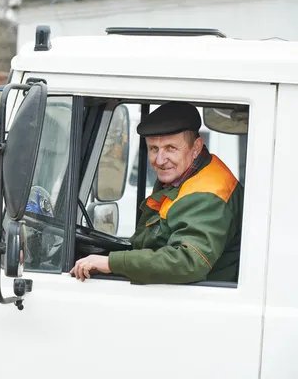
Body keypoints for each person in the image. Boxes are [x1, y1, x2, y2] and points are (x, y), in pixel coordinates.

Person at [70, 101, 243, 284]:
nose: (160, 160)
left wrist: (112, 263)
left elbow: (188, 262)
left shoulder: (208, 194)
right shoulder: (182, 178)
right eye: (154, 149)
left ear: (197, 147)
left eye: (171, 148)